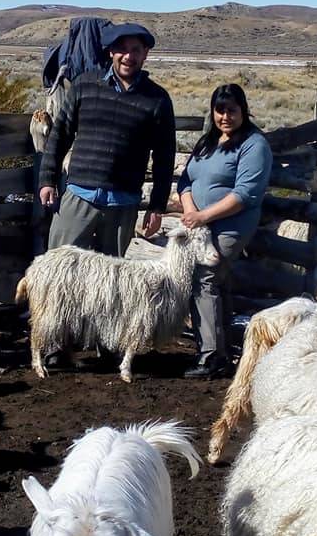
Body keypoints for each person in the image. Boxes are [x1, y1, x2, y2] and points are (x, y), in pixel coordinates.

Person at [37, 22, 176, 257]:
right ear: (111, 51)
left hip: (123, 203)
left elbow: (164, 156)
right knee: (58, 267)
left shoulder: (157, 99)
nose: (128, 56)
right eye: (121, 49)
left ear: (145, 54)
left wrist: (157, 206)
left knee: (110, 281)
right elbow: (60, 134)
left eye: (135, 50)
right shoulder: (85, 84)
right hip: (80, 195)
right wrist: (47, 179)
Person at [177, 83, 273, 379]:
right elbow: (185, 181)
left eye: (232, 110)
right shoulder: (208, 142)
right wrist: (191, 211)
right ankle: (222, 347)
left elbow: (246, 193)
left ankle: (211, 356)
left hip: (231, 226)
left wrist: (203, 215)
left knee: (204, 277)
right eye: (220, 110)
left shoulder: (254, 145)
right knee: (217, 283)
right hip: (201, 225)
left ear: (243, 110)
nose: (225, 117)